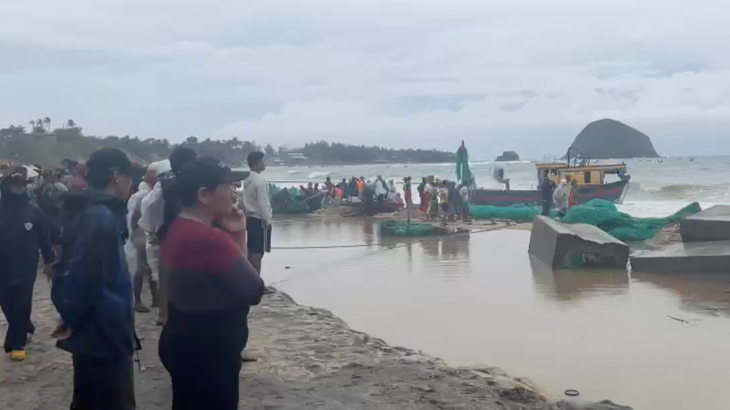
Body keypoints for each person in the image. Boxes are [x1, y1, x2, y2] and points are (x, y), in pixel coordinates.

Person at [158, 156, 264, 410]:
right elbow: (254, 290)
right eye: (228, 186)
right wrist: (235, 236)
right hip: (209, 352)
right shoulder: (209, 239)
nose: (234, 192)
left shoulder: (176, 227)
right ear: (204, 194)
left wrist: (238, 232)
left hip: (183, 340)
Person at [51, 148, 138, 410]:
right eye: (129, 177)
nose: (131, 184)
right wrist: (72, 317)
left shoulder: (93, 212)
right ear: (116, 176)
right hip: (103, 334)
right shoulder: (99, 218)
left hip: (98, 328)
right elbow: (83, 276)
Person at [0, 167, 54, 362]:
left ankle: (17, 344)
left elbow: (44, 237)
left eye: (22, 184)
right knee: (6, 303)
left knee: (22, 302)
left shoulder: (34, 210)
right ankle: (25, 327)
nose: (19, 188)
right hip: (2, 266)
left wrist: (49, 260)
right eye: (14, 185)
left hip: (26, 265)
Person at [140, 148, 195, 326]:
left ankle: (164, 315)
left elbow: (147, 209)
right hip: (181, 237)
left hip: (165, 236)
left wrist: (154, 231)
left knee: (164, 277)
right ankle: (172, 313)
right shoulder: (192, 183)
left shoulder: (164, 184)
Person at [127, 163, 162, 313]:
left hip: (144, 232)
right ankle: (140, 300)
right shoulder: (145, 194)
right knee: (142, 269)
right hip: (142, 233)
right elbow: (133, 216)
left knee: (150, 268)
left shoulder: (146, 193)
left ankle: (154, 299)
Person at [242, 151, 272, 275]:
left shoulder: (248, 179)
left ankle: (251, 278)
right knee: (258, 253)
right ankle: (256, 280)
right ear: (257, 163)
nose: (264, 164)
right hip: (259, 220)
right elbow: (263, 203)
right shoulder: (260, 181)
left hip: (249, 218)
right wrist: (268, 220)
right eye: (263, 161)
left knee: (251, 250)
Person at [36, 169, 67, 257]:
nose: (54, 177)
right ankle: (57, 258)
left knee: (51, 238)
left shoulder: (45, 186)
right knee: (54, 238)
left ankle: (56, 258)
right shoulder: (49, 187)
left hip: (49, 213)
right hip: (51, 213)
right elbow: (46, 199)